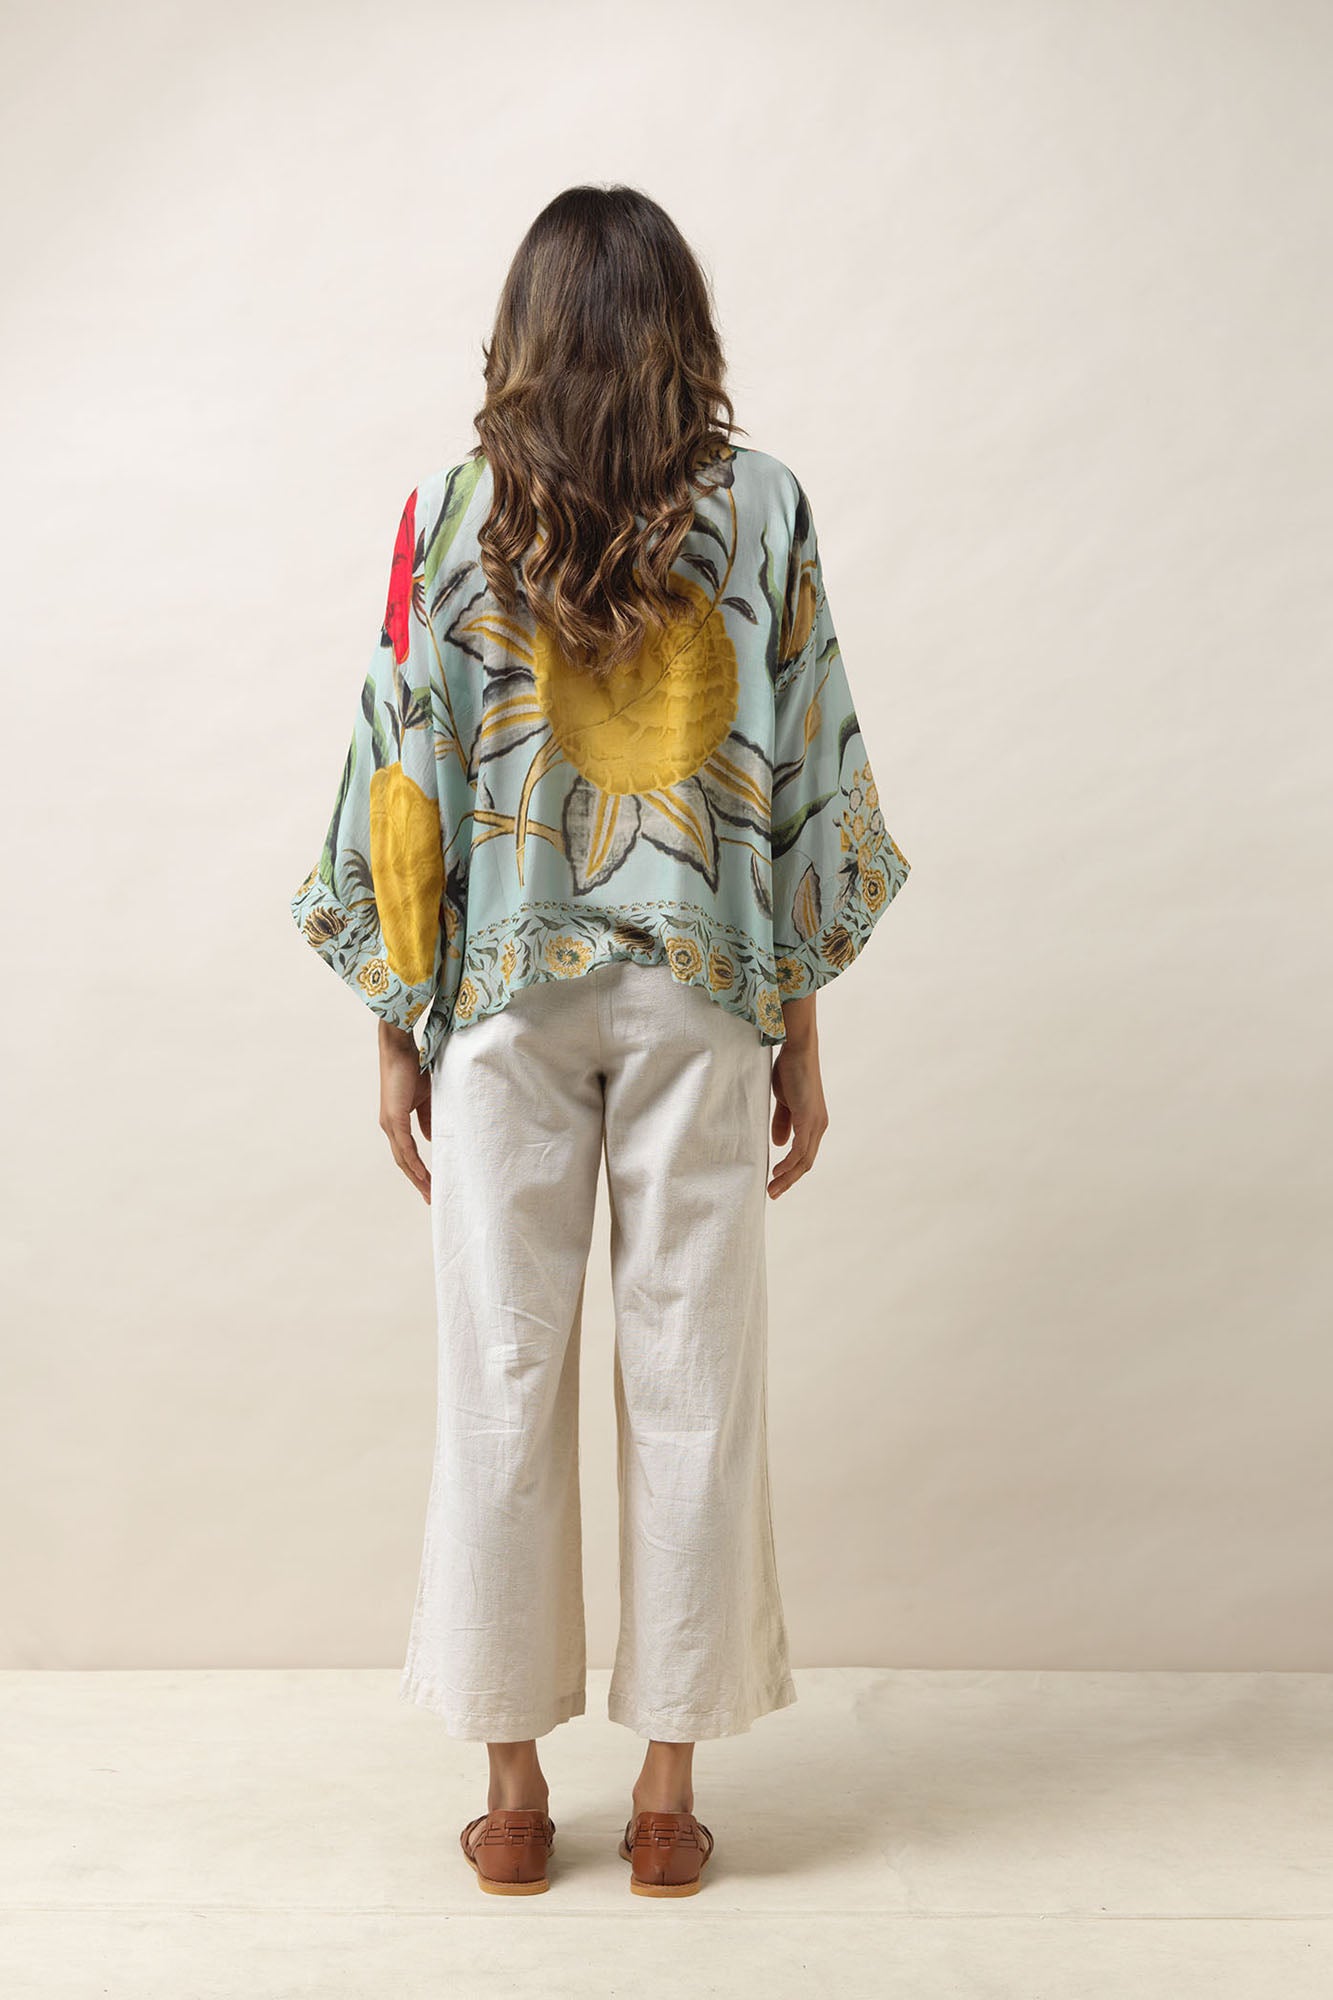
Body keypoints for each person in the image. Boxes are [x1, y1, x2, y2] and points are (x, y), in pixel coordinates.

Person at [288, 183, 911, 1898]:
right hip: (699, 984)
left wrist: (398, 1027)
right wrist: (798, 1030)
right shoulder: (760, 508)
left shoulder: (448, 511)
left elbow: (403, 771)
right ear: (678, 327)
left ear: (525, 332)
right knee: (691, 1375)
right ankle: (663, 1796)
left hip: (500, 992)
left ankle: (508, 1792)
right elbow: (798, 778)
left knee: (498, 1371)